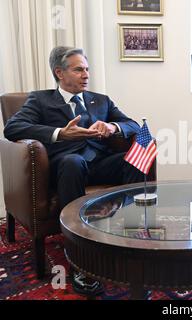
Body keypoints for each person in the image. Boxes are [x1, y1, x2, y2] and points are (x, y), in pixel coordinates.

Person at [4, 46, 146, 296]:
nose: (86, 74)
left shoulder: (100, 100)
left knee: (133, 157)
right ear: (59, 72)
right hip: (65, 167)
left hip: (99, 165)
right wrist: (59, 133)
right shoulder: (41, 99)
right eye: (79, 69)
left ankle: (132, 238)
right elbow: (13, 128)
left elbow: (133, 124)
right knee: (72, 162)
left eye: (87, 69)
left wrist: (113, 127)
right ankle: (80, 256)